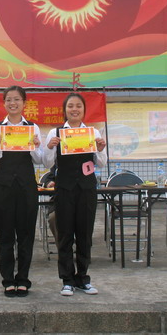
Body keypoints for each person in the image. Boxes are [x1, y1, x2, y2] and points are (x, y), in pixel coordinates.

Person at [43, 92, 107, 297]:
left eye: (78, 106)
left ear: (84, 109)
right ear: (65, 110)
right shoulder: (55, 132)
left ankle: (83, 278)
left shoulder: (92, 132)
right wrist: (50, 147)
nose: (74, 109)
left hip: (86, 189)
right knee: (65, 235)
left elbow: (101, 163)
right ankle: (67, 280)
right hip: (64, 190)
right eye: (70, 106)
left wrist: (100, 149)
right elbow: (46, 162)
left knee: (85, 234)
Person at [0, 85, 43, 298]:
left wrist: (36, 146)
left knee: (26, 235)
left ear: (24, 103)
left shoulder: (33, 128)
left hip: (26, 187)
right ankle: (8, 280)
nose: (13, 103)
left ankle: (23, 279)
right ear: (4, 103)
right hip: (4, 188)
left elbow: (40, 160)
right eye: (8, 99)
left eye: (17, 99)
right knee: (5, 234)